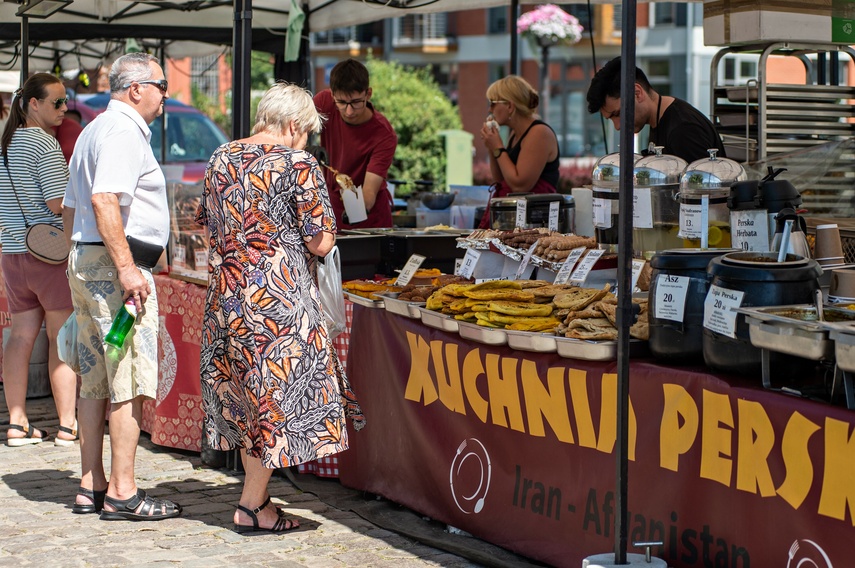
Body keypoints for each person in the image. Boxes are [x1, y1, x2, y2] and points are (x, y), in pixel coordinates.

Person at [196, 82, 365, 533]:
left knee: (252, 399)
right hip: (278, 301)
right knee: (274, 401)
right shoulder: (298, 162)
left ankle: (257, 502)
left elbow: (207, 229)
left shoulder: (220, 156)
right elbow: (320, 239)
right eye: (306, 131)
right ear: (293, 126)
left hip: (226, 296)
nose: (306, 140)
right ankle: (252, 507)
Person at [63, 52, 181, 521]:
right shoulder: (121, 130)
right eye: (161, 86)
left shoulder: (94, 127)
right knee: (125, 378)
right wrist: (128, 268)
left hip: (90, 260)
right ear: (136, 89)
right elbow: (103, 197)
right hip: (115, 269)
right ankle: (123, 491)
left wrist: (79, 264)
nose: (165, 95)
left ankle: (91, 485)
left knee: (95, 379)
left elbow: (74, 208)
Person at [0, 73, 78, 448]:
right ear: (33, 104)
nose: (65, 108)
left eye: (66, 101)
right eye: (57, 102)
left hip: (12, 253)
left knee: (20, 336)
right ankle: (67, 425)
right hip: (48, 255)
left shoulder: (5, 142)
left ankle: (17, 423)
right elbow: (58, 204)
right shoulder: (43, 145)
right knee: (61, 337)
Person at [586, 56, 725, 163]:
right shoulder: (658, 120)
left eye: (617, 114)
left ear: (637, 92)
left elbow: (701, 192)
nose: (617, 126)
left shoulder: (683, 129)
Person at [313, 59, 397, 229]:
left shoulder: (384, 134)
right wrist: (305, 150)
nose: (349, 111)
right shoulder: (323, 103)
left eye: (356, 102)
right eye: (342, 103)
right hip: (331, 207)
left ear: (368, 94)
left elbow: (368, 195)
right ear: (332, 95)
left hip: (370, 219)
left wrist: (355, 211)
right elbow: (292, 129)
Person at [477, 74, 559, 229]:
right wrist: (491, 147)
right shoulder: (515, 134)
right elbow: (501, 179)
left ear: (510, 106)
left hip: (534, 223)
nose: (490, 109)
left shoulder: (539, 133)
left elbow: (520, 185)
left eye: (493, 103)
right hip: (513, 218)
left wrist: (498, 148)